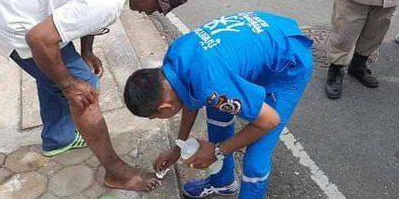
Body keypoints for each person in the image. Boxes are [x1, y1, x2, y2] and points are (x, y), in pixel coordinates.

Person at [0, 0, 188, 191]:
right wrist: (69, 84)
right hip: (7, 13)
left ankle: (58, 138)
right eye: (156, 7)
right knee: (83, 86)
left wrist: (86, 50)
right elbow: (39, 39)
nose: (149, 13)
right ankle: (116, 172)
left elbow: (84, 7)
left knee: (56, 69)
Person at [123, 11, 313, 199]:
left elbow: (270, 120)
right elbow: (190, 98)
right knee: (217, 113)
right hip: (267, 32)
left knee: (255, 160)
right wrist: (178, 147)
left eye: (154, 116)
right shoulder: (174, 59)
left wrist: (217, 151)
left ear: (165, 108)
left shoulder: (210, 84)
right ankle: (223, 183)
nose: (157, 118)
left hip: (290, 60)